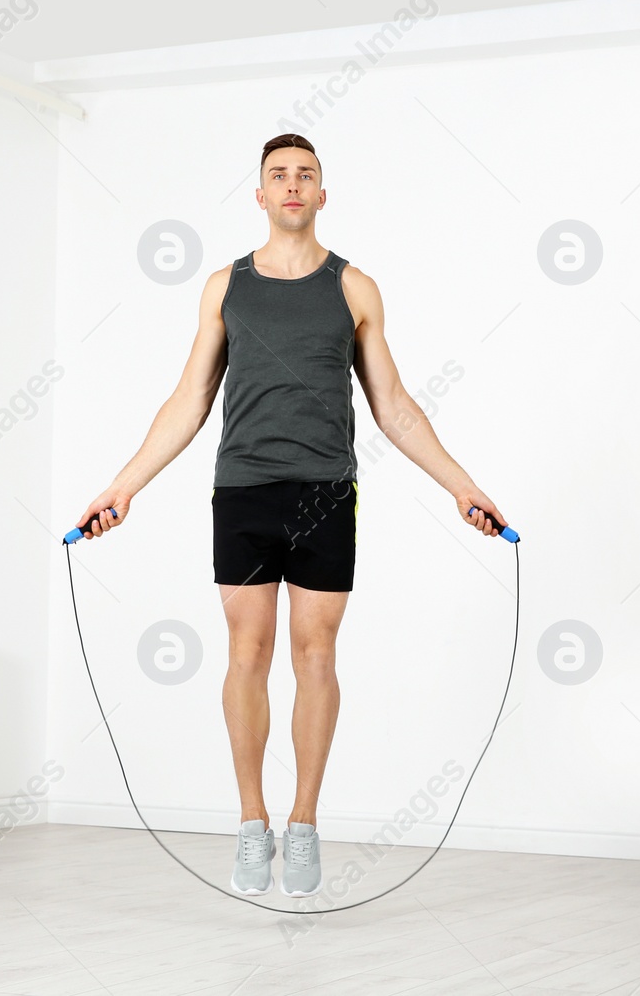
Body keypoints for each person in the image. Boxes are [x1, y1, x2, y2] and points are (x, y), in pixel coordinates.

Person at [74, 132, 509, 897]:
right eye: (279, 175)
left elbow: (395, 409)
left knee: (315, 657)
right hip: (243, 491)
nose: (293, 185)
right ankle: (253, 824)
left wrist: (461, 485)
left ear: (323, 192)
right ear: (261, 194)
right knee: (246, 653)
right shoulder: (224, 287)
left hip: (325, 494)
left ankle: (303, 824)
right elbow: (188, 400)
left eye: (306, 174)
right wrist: (124, 485)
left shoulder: (355, 288)